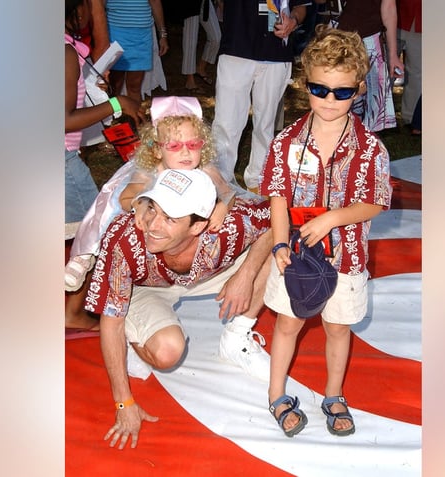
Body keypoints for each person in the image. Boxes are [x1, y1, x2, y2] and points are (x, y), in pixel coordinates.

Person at [259, 25, 392, 437]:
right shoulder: (285, 142)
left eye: (342, 92)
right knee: (287, 323)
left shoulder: (371, 149)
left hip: (347, 256)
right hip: (295, 255)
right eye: (320, 89)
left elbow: (378, 200)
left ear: (359, 89)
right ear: (305, 84)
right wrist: (280, 242)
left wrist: (334, 218)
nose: (330, 100)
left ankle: (333, 394)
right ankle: (276, 393)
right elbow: (277, 196)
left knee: (338, 327)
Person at [87, 168, 274, 449]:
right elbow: (110, 322)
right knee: (166, 353)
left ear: (199, 225)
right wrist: (124, 403)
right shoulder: (123, 237)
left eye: (170, 218)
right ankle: (136, 337)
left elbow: (275, 221)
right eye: (152, 209)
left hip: (208, 272)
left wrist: (246, 275)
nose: (152, 224)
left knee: (282, 254)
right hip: (145, 288)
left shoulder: (230, 224)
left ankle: (237, 337)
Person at [64, 96, 247, 299]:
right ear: (157, 149)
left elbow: (229, 193)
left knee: (235, 214)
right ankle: (87, 252)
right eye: (174, 146)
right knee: (113, 204)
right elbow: (126, 197)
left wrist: (223, 206)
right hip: (151, 214)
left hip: (179, 221)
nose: (185, 152)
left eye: (193, 144)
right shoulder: (151, 168)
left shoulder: (205, 167)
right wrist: (140, 204)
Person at [211, 0, 311, 191]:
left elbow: (300, 7)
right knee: (226, 123)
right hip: (237, 48)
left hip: (276, 53)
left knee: (266, 125)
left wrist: (293, 21)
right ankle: (220, 184)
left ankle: (258, 183)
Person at [65, 0, 144, 223]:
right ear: (78, 11)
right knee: (92, 229)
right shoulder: (65, 53)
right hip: (63, 161)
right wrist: (116, 103)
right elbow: (63, 119)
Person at [326, 0, 404, 132]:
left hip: (370, 42)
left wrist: (393, 55)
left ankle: (365, 148)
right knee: (334, 103)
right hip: (335, 40)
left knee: (370, 112)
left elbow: (389, 7)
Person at [90, 0, 170, 105]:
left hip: (141, 36)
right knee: (113, 87)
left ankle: (134, 119)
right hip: (114, 33)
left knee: (135, 87)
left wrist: (163, 35)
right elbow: (99, 5)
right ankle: (113, 119)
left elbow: (155, 2)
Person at [182, 0, 222, 91]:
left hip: (205, 2)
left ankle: (200, 68)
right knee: (190, 42)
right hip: (189, 5)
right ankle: (190, 80)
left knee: (216, 38)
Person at [397, 0, 421, 127]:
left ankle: (410, 117)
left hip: (421, 22)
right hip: (392, 17)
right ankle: (381, 116)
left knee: (416, 73)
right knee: (384, 71)